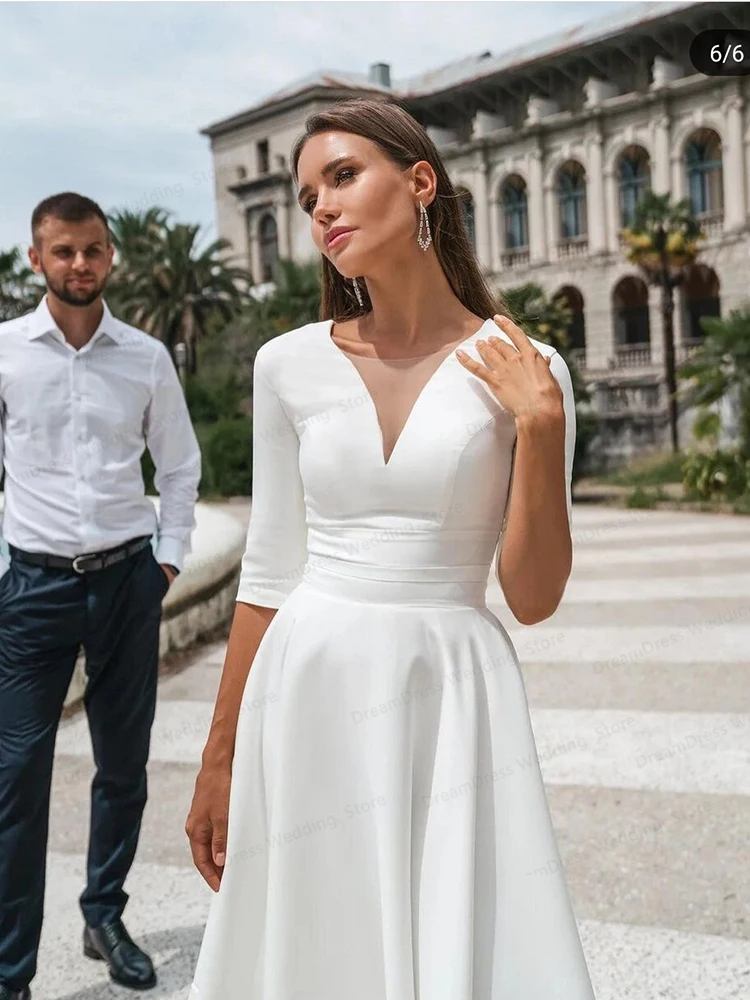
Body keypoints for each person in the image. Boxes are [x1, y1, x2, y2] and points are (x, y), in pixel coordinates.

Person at [186, 98, 596, 999]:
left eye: (341, 177)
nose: (321, 209)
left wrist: (543, 421)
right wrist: (217, 762)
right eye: (306, 198)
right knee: (317, 939)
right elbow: (267, 570)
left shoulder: (528, 368)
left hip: (451, 685)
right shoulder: (286, 364)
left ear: (421, 183)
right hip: (309, 683)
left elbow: (531, 596)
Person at [0, 192, 202, 1000]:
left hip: (127, 580)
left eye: (92, 251)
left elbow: (179, 468)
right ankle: (11, 972)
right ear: (36, 259)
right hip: (34, 589)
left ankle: (103, 915)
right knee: (16, 776)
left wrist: (168, 563)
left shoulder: (146, 356)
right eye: (63, 252)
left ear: (110, 256)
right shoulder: (7, 352)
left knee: (124, 765)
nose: (79, 264)